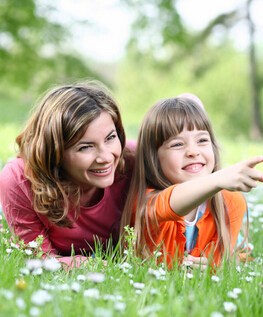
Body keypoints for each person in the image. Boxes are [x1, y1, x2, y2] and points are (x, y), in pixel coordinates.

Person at [0, 80, 135, 268]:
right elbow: (39, 260)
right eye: (85, 147)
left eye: (110, 138)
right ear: (54, 152)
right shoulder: (19, 179)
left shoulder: (133, 160)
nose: (105, 157)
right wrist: (99, 267)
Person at [120, 95, 263, 270]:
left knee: (240, 254)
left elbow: (218, 264)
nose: (193, 152)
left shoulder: (231, 202)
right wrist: (218, 179)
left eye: (202, 140)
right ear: (154, 157)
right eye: (177, 144)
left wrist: (214, 268)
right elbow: (170, 203)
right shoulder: (146, 203)